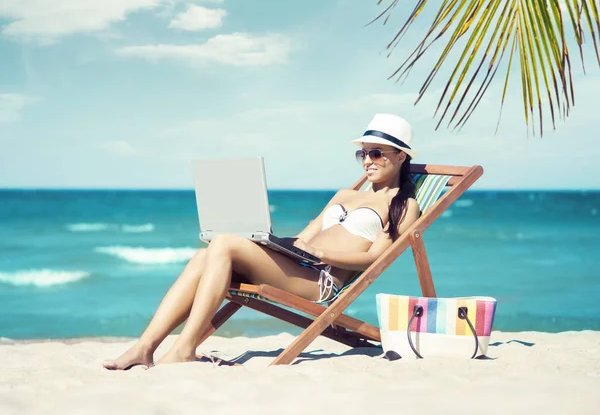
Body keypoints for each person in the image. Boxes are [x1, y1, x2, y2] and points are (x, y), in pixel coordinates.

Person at [103, 113, 421, 370]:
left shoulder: (404, 205)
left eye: (376, 152)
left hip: (320, 281)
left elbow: (377, 257)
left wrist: (321, 252)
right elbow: (306, 236)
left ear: (401, 156)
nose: (367, 160)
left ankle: (184, 348)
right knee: (207, 254)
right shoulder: (345, 194)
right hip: (298, 264)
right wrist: (270, 242)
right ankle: (144, 348)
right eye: (362, 153)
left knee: (225, 244)